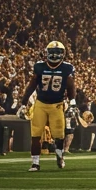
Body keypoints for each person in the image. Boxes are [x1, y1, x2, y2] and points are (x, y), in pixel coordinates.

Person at [21, 41, 75, 172]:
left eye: (57, 52)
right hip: (40, 104)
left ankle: (59, 156)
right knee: (35, 135)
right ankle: (35, 163)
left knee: (59, 136)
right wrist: (23, 103)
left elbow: (71, 86)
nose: (55, 55)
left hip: (57, 105)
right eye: (52, 52)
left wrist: (72, 103)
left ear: (63, 54)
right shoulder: (39, 66)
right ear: (47, 53)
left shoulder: (67, 68)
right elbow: (32, 85)